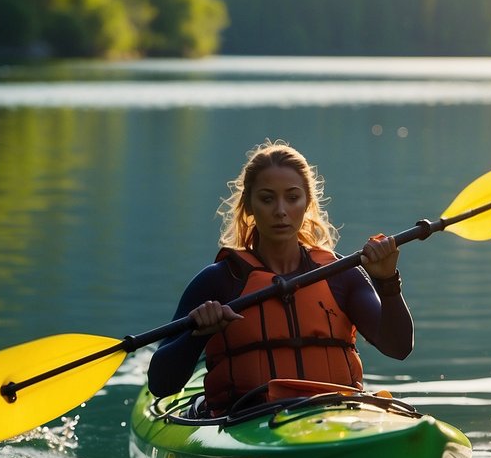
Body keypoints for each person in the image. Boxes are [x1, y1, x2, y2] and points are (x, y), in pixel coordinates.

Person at [148, 141, 413, 414]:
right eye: (267, 199)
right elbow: (160, 384)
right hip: (245, 421)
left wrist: (388, 281)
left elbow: (398, 347)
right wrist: (196, 334)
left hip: (337, 416)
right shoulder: (219, 281)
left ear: (307, 202)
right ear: (249, 205)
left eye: (292, 197)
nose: (280, 211)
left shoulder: (341, 275)